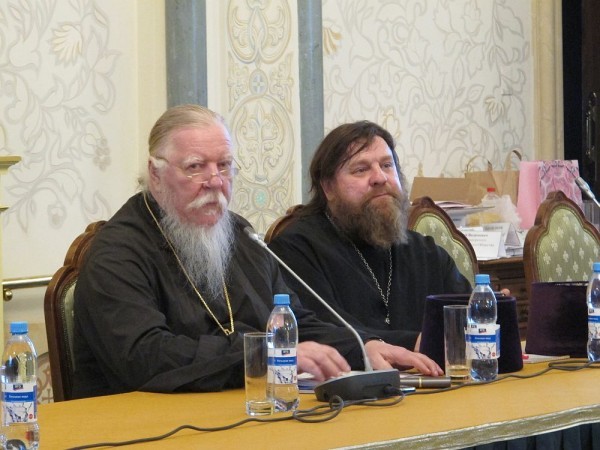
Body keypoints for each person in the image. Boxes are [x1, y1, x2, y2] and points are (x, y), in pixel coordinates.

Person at [72, 106, 442, 399]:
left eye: (224, 166)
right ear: (155, 174)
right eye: (195, 167)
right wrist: (266, 356)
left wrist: (365, 347)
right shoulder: (117, 253)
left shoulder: (239, 235)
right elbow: (145, 356)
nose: (215, 181)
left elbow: (297, 322)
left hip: (242, 414)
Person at [268, 121, 473, 352]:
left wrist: (495, 307)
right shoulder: (297, 249)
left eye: (387, 165)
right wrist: (415, 342)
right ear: (328, 188)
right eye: (361, 169)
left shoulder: (425, 252)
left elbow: (469, 316)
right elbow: (320, 331)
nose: (379, 178)